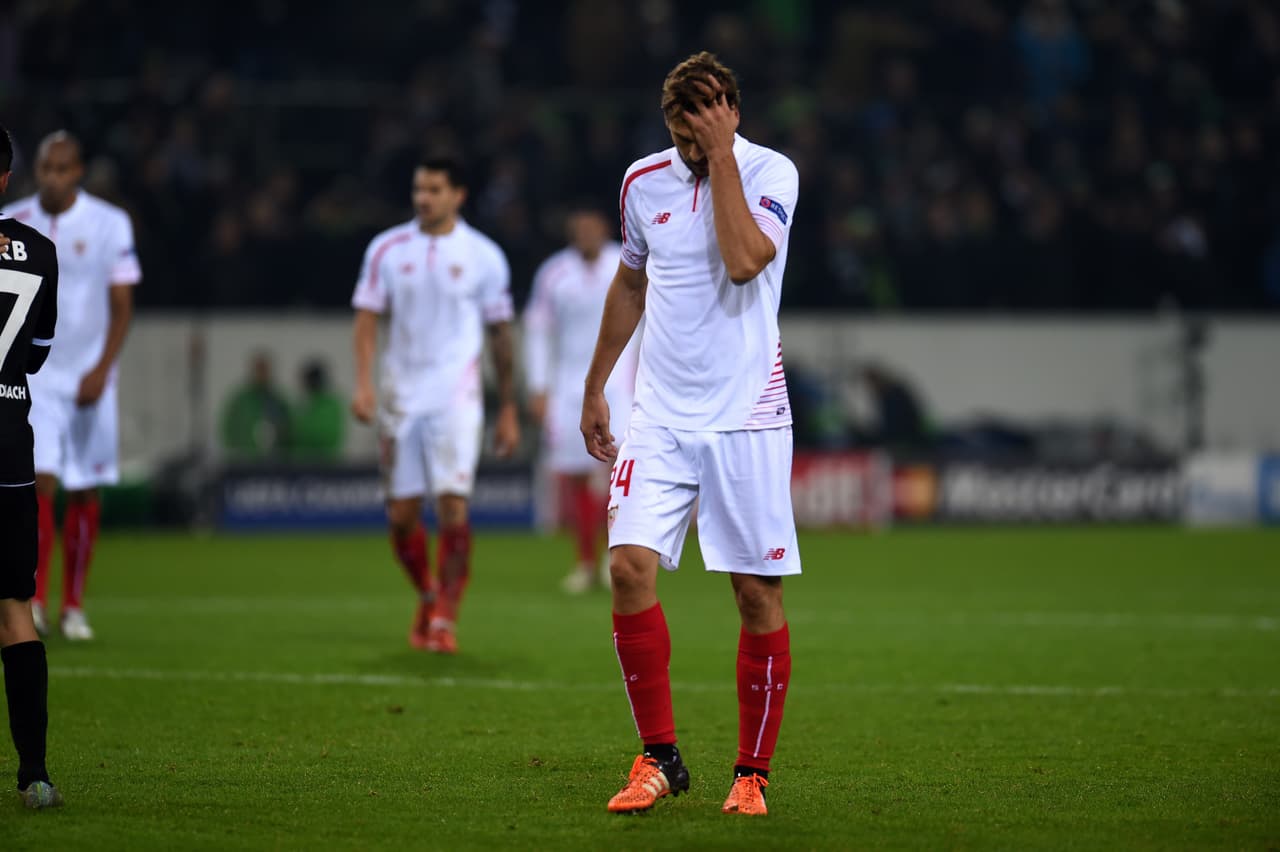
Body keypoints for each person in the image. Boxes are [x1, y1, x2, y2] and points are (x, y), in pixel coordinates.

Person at [580, 52, 801, 817]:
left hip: (748, 416)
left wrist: (722, 160)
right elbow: (632, 280)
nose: (688, 149)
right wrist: (596, 384)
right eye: (678, 134)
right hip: (661, 416)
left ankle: (752, 774)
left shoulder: (772, 173)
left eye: (700, 129)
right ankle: (660, 758)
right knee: (629, 569)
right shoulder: (643, 183)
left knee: (752, 594)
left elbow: (744, 263)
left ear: (731, 110)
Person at [351, 155, 519, 655]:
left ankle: (446, 614)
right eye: (419, 188)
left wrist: (507, 407)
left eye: (435, 189)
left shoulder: (484, 255)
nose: (424, 197)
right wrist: (363, 384)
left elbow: (500, 334)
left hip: (456, 395)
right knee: (402, 517)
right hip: (400, 397)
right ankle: (427, 591)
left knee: (451, 505)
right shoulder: (386, 248)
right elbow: (366, 320)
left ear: (458, 195)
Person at [1, 131, 141, 641]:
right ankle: (34, 599)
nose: (53, 178)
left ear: (78, 171)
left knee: (84, 486)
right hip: (36, 376)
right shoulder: (13, 222)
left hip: (90, 376)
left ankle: (74, 605)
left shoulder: (110, 223)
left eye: (63, 169)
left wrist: (104, 367)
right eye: (46, 169)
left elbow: (122, 302)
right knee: (40, 482)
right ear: (35, 171)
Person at [523, 205, 639, 593]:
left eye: (592, 227)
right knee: (574, 476)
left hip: (621, 386)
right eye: (579, 228)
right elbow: (538, 331)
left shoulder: (625, 265)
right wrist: (539, 386)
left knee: (618, 474)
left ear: (605, 228)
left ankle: (615, 560)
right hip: (569, 388)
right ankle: (585, 562)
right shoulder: (554, 273)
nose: (586, 234)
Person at [0, 124, 64, 808]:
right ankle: (36, 775)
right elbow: (38, 352)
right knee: (14, 606)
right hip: (10, 447)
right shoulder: (39, 250)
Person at [219, 350, 291, 460]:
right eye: (259, 369)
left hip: (274, 463)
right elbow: (228, 429)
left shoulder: (279, 401)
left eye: (265, 370)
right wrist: (236, 452)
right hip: (244, 461)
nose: (262, 374)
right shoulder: (240, 402)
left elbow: (289, 427)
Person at [289, 358, 346, 461]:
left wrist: (296, 432)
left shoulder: (330, 405)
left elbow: (328, 436)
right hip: (302, 464)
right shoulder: (304, 404)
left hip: (327, 465)